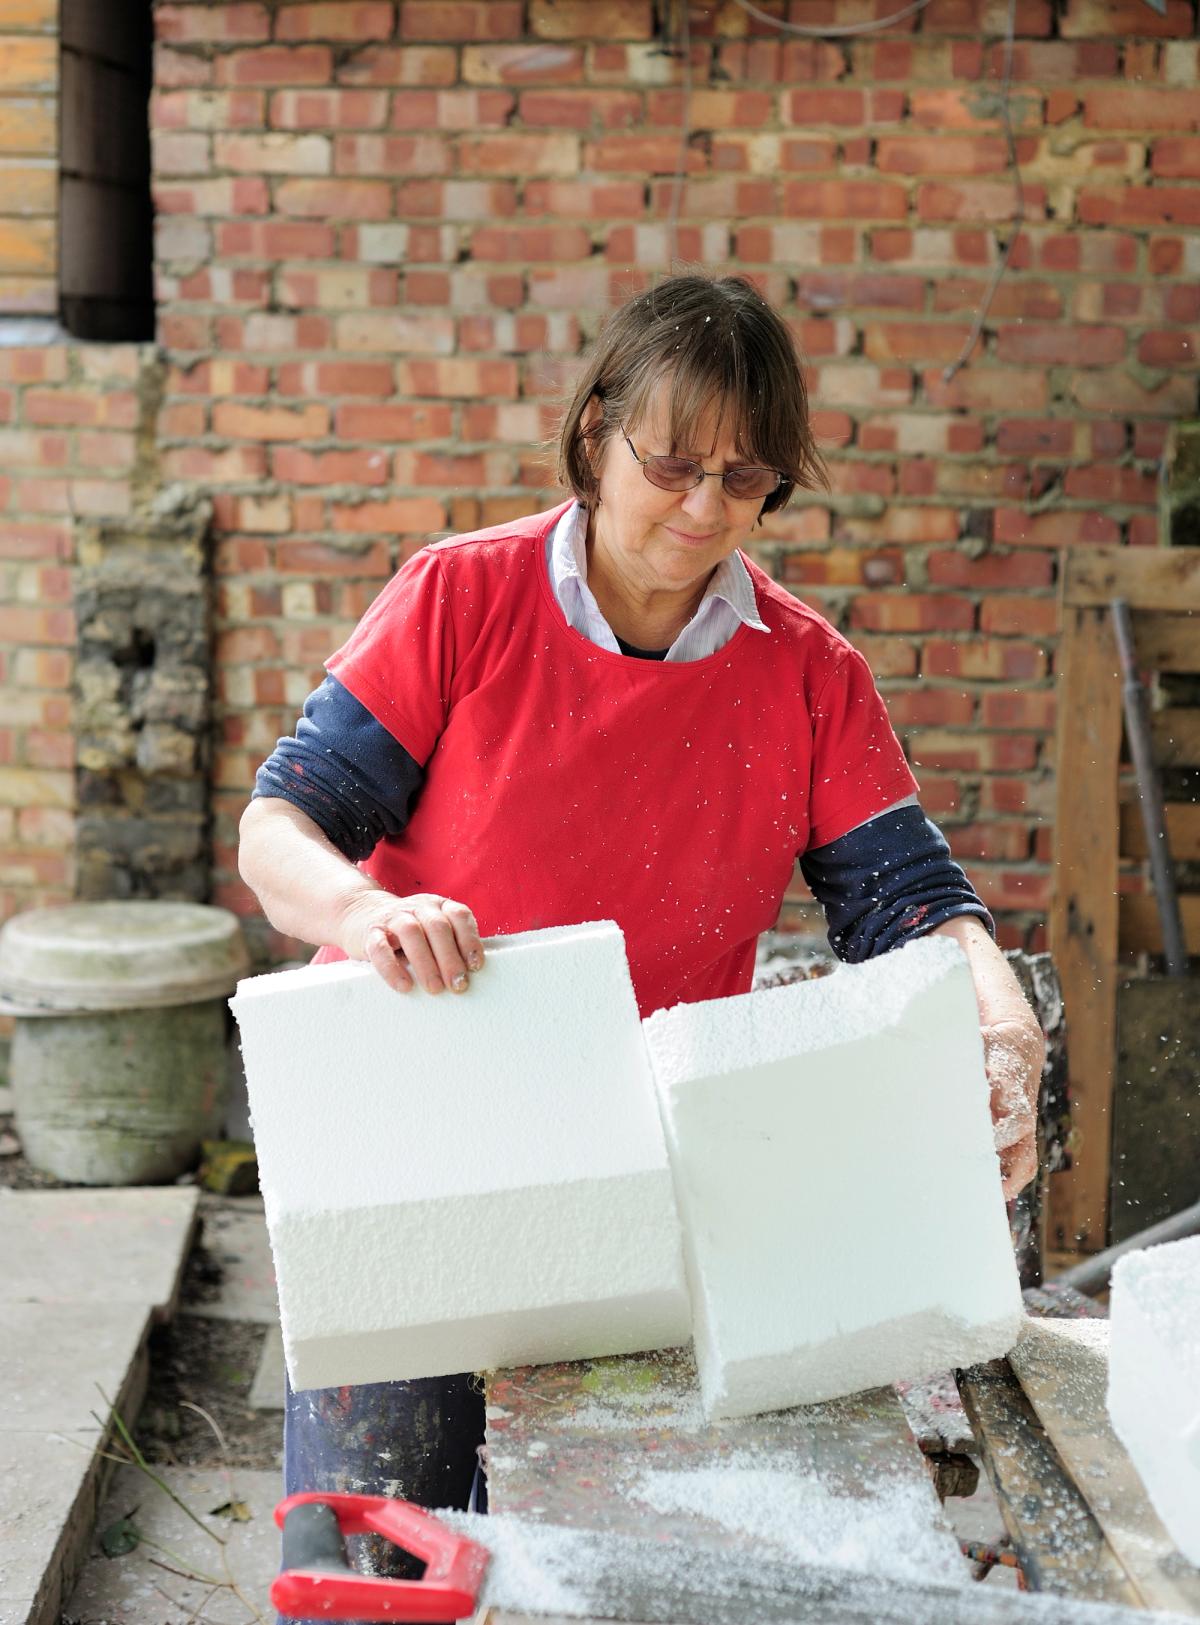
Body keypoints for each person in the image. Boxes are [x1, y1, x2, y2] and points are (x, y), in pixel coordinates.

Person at [240, 273, 1044, 1555]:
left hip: (649, 1165)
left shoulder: (806, 671)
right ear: (596, 429)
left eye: (745, 478)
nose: (703, 508)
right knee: (381, 1542)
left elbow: (913, 905)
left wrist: (999, 1022)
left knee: (609, 1542)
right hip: (417, 1135)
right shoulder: (461, 597)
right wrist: (365, 907)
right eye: (671, 464)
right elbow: (279, 828)